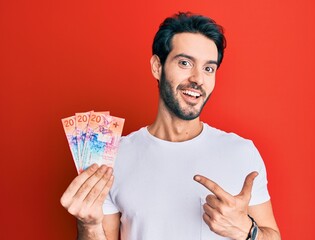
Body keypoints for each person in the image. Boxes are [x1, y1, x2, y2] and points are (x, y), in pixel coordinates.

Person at [60, 12, 281, 240]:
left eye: (208, 68)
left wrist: (247, 231)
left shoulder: (241, 152)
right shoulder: (113, 158)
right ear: (157, 66)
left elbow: (272, 235)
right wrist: (88, 225)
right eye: (185, 63)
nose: (198, 79)